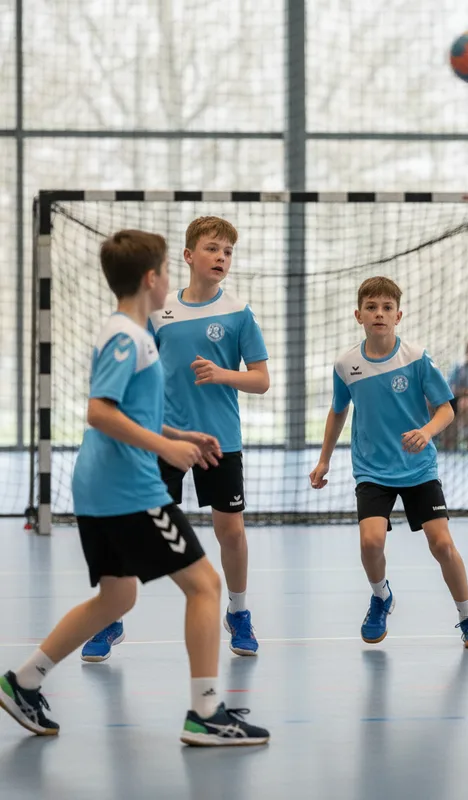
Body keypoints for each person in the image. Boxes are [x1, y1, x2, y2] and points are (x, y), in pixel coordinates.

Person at [0, 230, 269, 745]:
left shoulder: (131, 331)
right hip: (127, 485)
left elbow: (132, 411)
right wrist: (166, 450)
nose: (171, 276)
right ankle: (207, 714)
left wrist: (178, 435)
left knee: (116, 596)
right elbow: (100, 411)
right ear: (153, 279)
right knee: (205, 586)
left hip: (101, 483)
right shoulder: (131, 336)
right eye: (167, 268)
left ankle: (24, 681)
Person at [80, 217, 269, 662]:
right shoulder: (157, 314)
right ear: (188, 256)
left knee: (231, 531)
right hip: (163, 440)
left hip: (219, 441)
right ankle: (113, 617)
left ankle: (238, 612)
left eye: (227, 252)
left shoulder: (239, 313)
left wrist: (223, 374)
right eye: (212, 248)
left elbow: (261, 380)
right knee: (139, 528)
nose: (221, 257)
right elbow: (137, 373)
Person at [309, 276, 468, 648]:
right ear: (358, 314)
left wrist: (426, 432)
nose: (380, 313)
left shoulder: (417, 359)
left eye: (387, 308)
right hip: (372, 469)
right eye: (372, 307)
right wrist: (324, 460)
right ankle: (380, 597)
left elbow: (446, 410)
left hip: (418, 468)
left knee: (441, 544)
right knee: (370, 542)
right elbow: (338, 411)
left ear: (399, 315)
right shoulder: (346, 364)